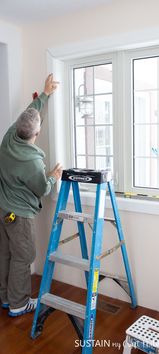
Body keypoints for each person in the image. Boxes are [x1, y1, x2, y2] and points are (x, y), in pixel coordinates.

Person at [0, 74, 62, 317]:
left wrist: (44, 94)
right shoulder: (33, 163)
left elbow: (28, 113)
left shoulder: (8, 138)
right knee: (23, 256)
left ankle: (6, 297)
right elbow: (42, 190)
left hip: (3, 209)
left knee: (6, 253)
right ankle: (19, 303)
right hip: (19, 215)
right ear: (36, 134)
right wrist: (53, 177)